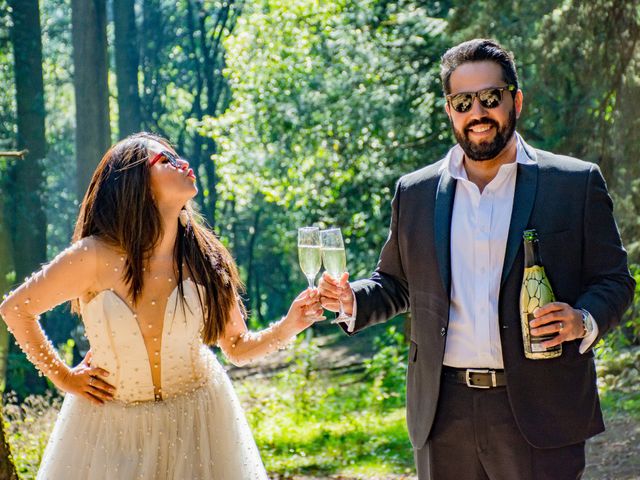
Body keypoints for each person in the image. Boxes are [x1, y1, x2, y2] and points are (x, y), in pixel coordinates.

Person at [319, 38, 635, 479]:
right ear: (450, 109)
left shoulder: (575, 183)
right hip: (442, 413)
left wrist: (583, 320)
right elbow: (396, 283)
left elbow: (615, 281)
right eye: (463, 101)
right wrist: (349, 299)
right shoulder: (415, 192)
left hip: (542, 412)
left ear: (515, 100)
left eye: (490, 98)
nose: (478, 113)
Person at [0, 132, 325, 479]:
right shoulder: (92, 256)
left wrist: (291, 323)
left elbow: (237, 347)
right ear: (134, 181)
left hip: (202, 425)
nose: (182, 163)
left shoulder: (205, 257)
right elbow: (16, 309)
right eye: (166, 160)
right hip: (108, 430)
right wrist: (65, 377)